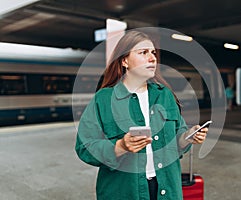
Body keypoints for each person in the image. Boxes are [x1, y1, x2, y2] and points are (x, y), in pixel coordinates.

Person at [75, 30, 208, 200]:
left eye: (153, 53)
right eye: (143, 53)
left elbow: (177, 139)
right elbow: (84, 147)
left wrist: (188, 137)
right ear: (124, 61)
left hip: (166, 189)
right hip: (123, 192)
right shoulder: (104, 99)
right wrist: (121, 146)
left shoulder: (164, 95)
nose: (152, 58)